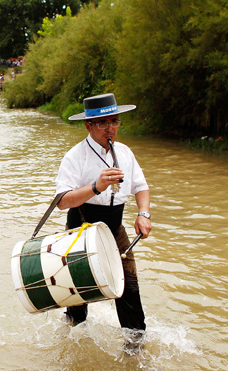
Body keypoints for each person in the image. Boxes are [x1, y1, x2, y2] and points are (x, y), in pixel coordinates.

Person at [55, 93, 151, 348]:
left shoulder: (125, 152)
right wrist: (95, 187)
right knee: (78, 295)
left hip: (115, 228)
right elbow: (62, 201)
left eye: (115, 121)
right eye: (102, 123)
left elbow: (141, 187)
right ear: (88, 125)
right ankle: (73, 344)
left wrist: (143, 213)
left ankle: (135, 349)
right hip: (81, 229)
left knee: (128, 288)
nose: (111, 128)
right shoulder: (74, 157)